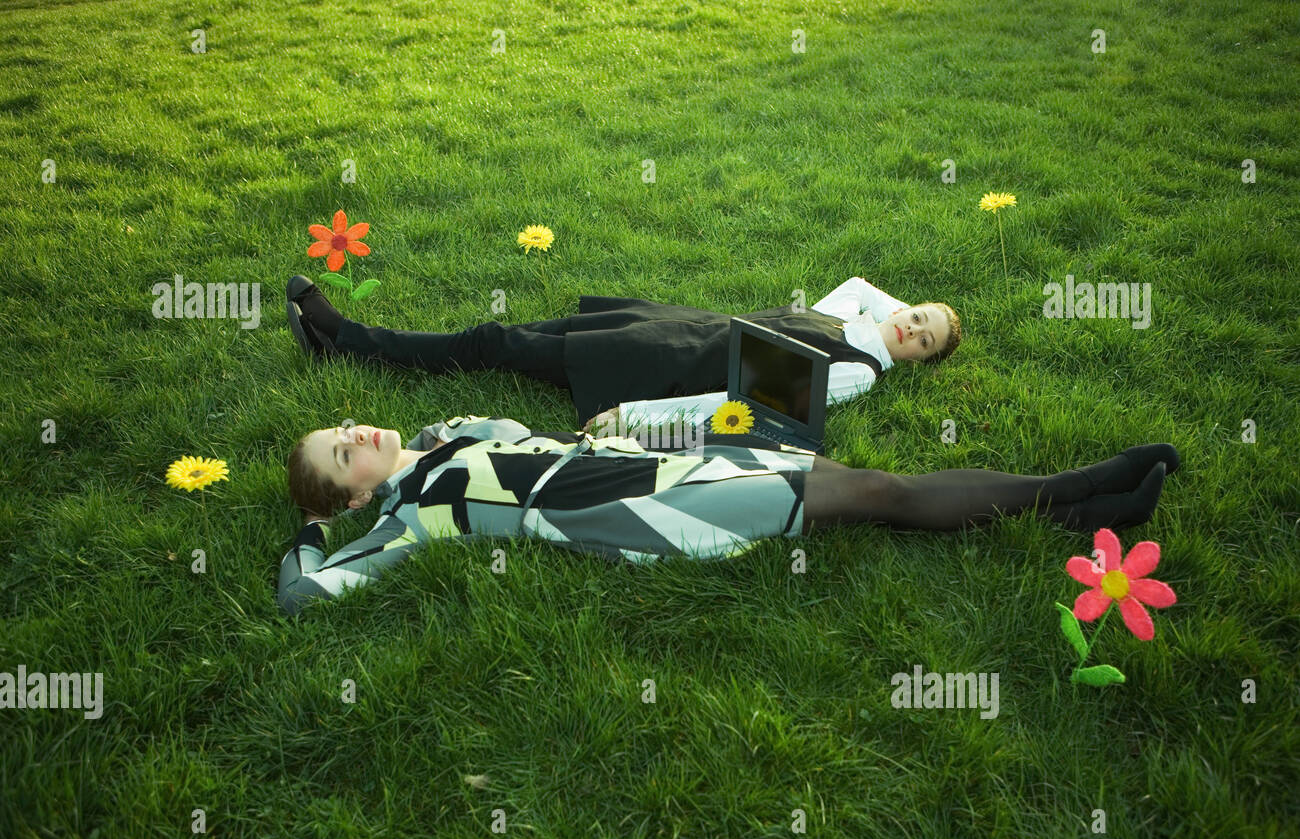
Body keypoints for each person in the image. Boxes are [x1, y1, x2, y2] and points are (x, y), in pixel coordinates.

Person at [277, 415, 1179, 616]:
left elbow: (519, 434)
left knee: (858, 476)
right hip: (652, 510)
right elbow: (304, 596)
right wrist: (312, 537)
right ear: (355, 493)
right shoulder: (411, 514)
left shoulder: (444, 441)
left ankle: (1067, 512)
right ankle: (1083, 482)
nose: (358, 433)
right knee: (876, 494)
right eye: (344, 453)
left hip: (663, 460)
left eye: (344, 427)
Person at [284, 275, 961, 431]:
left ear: (915, 361)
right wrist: (893, 309)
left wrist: (631, 415)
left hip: (660, 367)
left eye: (924, 341)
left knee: (496, 343)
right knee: (509, 336)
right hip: (668, 330)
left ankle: (346, 341)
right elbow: (857, 289)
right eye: (917, 316)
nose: (912, 330)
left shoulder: (854, 372)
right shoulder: (848, 317)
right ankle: (342, 344)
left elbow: (736, 400)